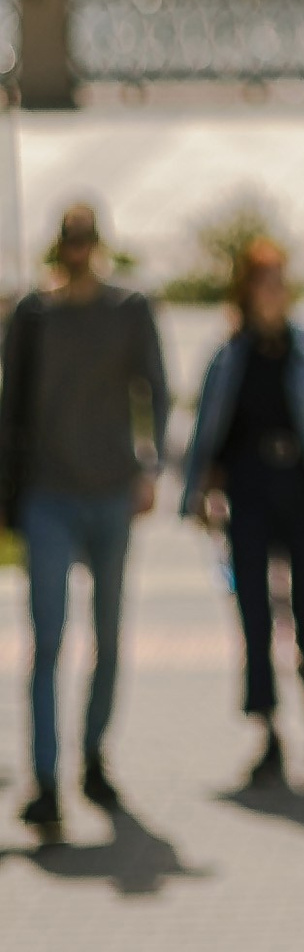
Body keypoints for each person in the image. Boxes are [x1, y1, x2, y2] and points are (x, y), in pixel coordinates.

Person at [0, 200, 169, 832]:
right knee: (46, 641)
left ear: (99, 245)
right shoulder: (33, 315)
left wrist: (150, 467)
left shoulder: (128, 311)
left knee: (108, 635)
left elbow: (154, 388)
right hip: (48, 494)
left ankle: (94, 755)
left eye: (86, 243)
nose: (77, 254)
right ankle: (44, 778)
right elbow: (10, 404)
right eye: (68, 243)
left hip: (110, 492)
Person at [180, 235, 304, 786]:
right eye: (263, 282)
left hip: (302, 488)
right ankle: (268, 730)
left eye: (279, 281)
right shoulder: (231, 356)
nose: (272, 293)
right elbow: (209, 432)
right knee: (253, 612)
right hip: (250, 493)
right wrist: (201, 494)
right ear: (247, 290)